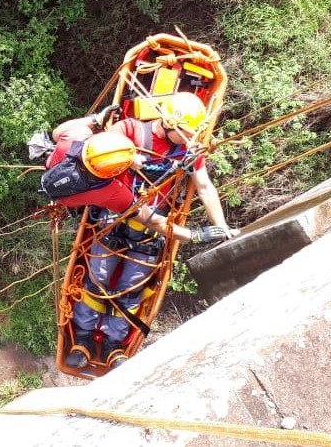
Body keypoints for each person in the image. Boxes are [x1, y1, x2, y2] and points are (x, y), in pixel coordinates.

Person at [47, 93, 238, 370]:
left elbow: (204, 186)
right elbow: (102, 150)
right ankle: (84, 338)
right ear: (169, 122)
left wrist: (219, 226)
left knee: (131, 287)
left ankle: (115, 343)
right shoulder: (130, 130)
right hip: (113, 215)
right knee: (97, 279)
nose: (189, 138)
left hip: (150, 226)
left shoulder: (188, 150)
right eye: (185, 132)